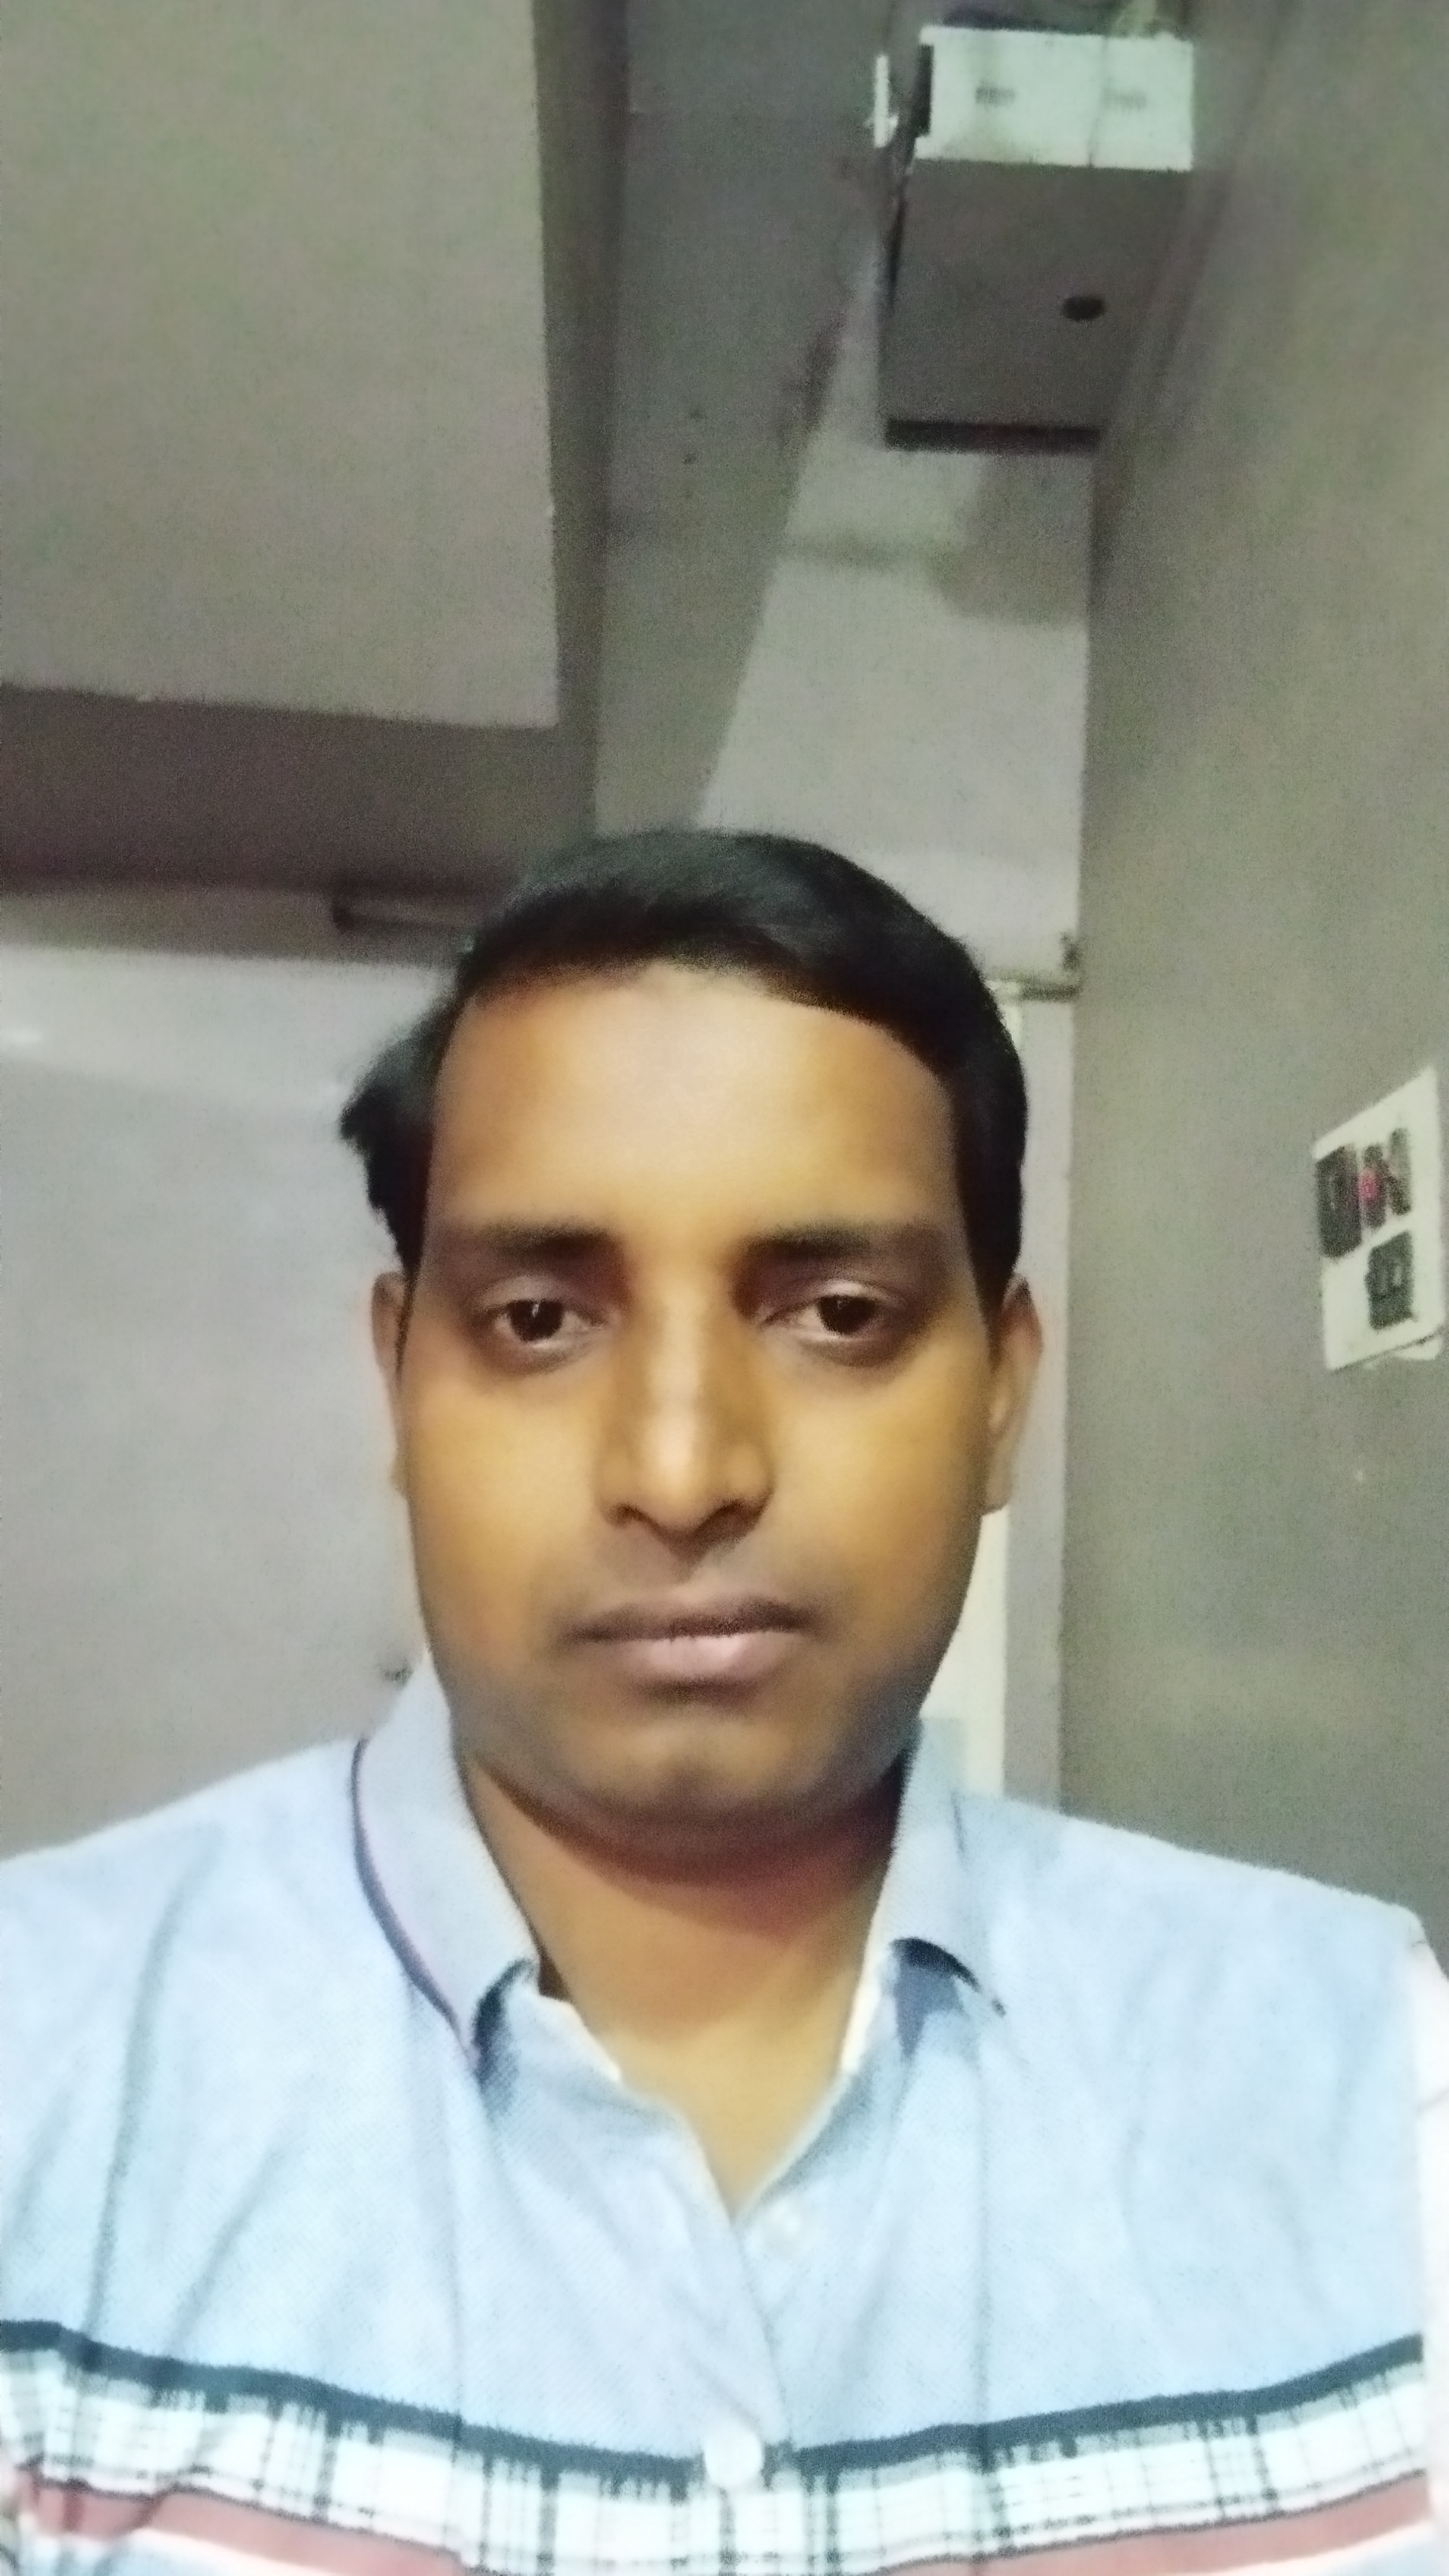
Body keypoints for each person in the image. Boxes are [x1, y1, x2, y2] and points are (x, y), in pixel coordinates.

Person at [1, 827, 1444, 2576]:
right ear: (400, 1378)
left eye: (836, 1312)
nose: (682, 1473)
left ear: (1002, 1396)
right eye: (540, 1319)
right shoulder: (42, 2060)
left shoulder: (1368, 2081)